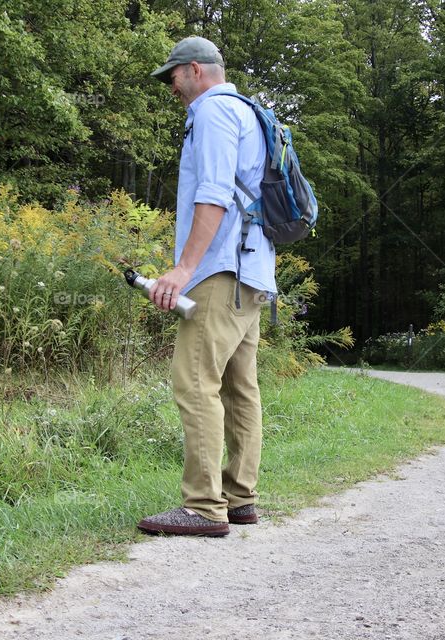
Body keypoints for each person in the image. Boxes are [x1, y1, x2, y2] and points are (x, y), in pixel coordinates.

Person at [137, 36, 276, 537]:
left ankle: (202, 506)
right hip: (254, 271)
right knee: (241, 389)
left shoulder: (214, 113)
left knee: (194, 381)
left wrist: (181, 270)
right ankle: (239, 499)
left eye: (172, 76)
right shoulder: (250, 113)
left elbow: (214, 195)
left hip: (220, 270)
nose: (170, 86)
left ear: (195, 70)